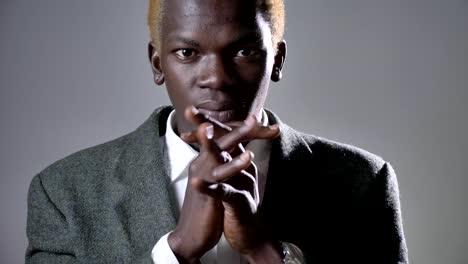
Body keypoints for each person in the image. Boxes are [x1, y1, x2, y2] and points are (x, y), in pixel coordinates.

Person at [25, 0, 408, 263]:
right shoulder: (64, 192)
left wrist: (264, 250)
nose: (217, 79)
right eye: (188, 53)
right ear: (157, 64)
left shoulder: (363, 182)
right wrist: (177, 250)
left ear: (276, 60)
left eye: (244, 52)